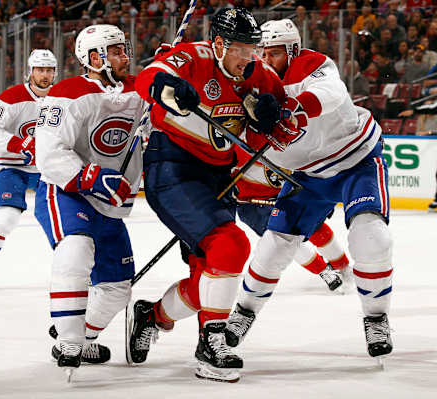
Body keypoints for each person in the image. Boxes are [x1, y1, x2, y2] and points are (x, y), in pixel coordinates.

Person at [127, 7, 294, 383]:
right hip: (172, 166)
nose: (247, 57)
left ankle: (151, 316)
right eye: (239, 48)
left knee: (208, 273)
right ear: (218, 44)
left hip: (219, 175)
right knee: (231, 245)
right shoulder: (195, 56)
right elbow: (150, 76)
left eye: (253, 49)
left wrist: (269, 116)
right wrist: (164, 88)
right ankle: (212, 343)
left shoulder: (259, 75)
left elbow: (281, 123)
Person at [225, 19, 394, 360]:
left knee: (371, 236)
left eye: (273, 53)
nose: (266, 60)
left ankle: (376, 317)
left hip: (355, 161)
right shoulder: (255, 82)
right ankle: (244, 311)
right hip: (308, 176)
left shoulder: (311, 63)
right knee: (273, 246)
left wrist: (292, 108)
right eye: (262, 53)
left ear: (291, 49)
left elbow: (328, 94)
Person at [33, 24, 144, 377]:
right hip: (67, 192)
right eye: (115, 51)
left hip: (108, 202)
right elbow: (49, 152)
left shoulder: (140, 91)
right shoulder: (67, 93)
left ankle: (83, 336)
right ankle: (68, 338)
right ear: (93, 57)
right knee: (76, 250)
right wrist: (91, 176)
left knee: (118, 288)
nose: (124, 57)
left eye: (124, 49)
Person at [0, 49, 57, 291]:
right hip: (11, 165)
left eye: (49, 70)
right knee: (7, 215)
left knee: (59, 215)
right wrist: (20, 144)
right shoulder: (12, 96)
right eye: (40, 69)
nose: (45, 74)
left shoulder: (61, 98)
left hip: (45, 167)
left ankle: (76, 268)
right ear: (30, 71)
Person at [232, 142, 351, 293]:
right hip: (252, 205)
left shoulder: (290, 139)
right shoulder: (241, 145)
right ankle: (324, 271)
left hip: (284, 193)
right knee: (284, 239)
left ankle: (344, 268)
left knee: (316, 227)